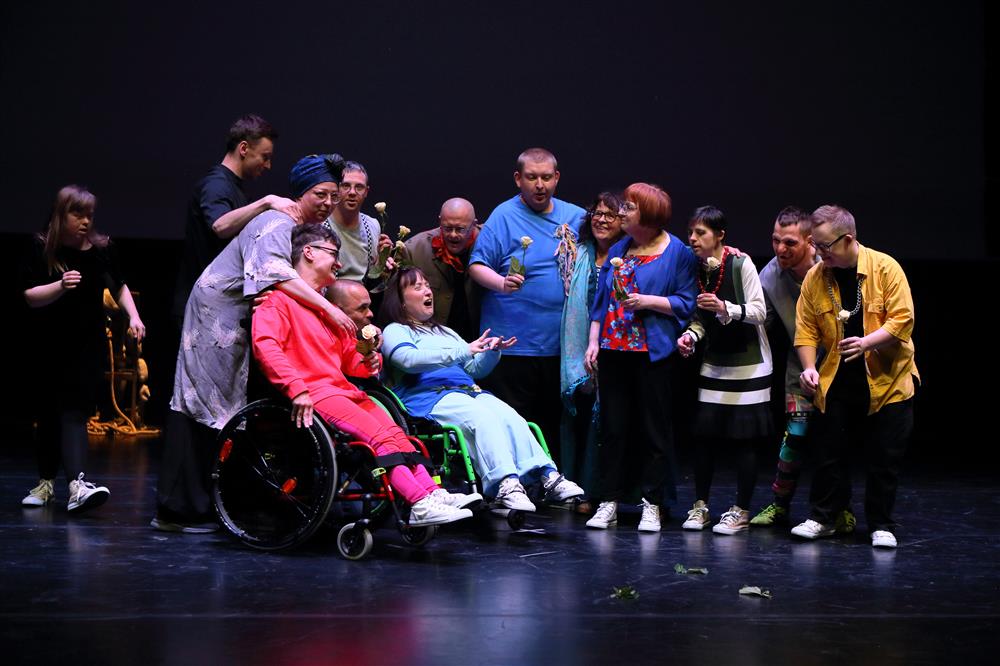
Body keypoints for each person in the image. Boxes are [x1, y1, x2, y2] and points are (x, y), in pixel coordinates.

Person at [152, 154, 357, 533]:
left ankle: (210, 502)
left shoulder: (293, 227)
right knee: (202, 403)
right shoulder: (277, 221)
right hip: (217, 314)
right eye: (320, 194)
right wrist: (330, 309)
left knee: (219, 405)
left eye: (333, 195)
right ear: (301, 193)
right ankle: (178, 509)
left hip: (236, 314)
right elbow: (275, 277)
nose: (328, 203)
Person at [253, 225, 478, 526]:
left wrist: (369, 358)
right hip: (315, 393)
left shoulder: (324, 309)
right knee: (380, 438)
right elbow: (266, 345)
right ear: (308, 252)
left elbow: (351, 363)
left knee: (399, 435)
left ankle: (432, 492)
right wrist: (296, 389)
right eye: (333, 254)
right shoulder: (277, 301)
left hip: (343, 390)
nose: (339, 263)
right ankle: (419, 502)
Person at [381, 267, 584, 511]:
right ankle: (505, 484)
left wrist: (492, 351)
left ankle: (547, 475)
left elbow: (474, 369)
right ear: (400, 301)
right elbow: (407, 360)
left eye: (426, 284)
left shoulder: (444, 332)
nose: (427, 290)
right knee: (482, 418)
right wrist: (463, 350)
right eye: (417, 287)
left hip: (467, 391)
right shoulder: (395, 331)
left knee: (510, 416)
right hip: (428, 397)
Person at [790, 205, 918, 549]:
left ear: (848, 240)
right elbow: (805, 330)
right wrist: (809, 367)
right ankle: (823, 518)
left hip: (888, 381)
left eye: (825, 246)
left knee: (883, 457)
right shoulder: (816, 278)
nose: (818, 252)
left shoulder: (885, 268)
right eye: (815, 244)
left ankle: (881, 523)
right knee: (829, 453)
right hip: (837, 379)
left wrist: (866, 343)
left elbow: (902, 320)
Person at [19, 185, 146, 512]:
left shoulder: (101, 249)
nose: (86, 221)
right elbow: (30, 296)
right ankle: (46, 484)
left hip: (84, 345)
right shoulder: (41, 247)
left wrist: (133, 316)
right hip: (47, 345)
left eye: (90, 214)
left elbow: (118, 286)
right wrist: (60, 286)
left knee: (75, 412)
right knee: (48, 414)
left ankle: (77, 485)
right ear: (61, 215)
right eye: (78, 214)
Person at [583, 183, 698, 532]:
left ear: (646, 214)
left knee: (654, 429)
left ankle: (653, 502)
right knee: (614, 427)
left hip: (652, 352)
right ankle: (609, 501)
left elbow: (686, 301)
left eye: (629, 207)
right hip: (615, 349)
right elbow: (602, 301)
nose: (621, 212)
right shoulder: (621, 247)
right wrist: (593, 342)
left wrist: (647, 301)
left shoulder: (676, 252)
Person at [469, 148, 585, 461]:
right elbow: (477, 265)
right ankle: (514, 483)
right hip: (513, 343)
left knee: (554, 422)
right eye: (531, 177)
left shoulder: (575, 216)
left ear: (557, 178)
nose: (539, 185)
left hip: (561, 344)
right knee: (514, 421)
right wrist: (501, 284)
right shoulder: (503, 216)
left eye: (546, 177)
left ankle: (553, 483)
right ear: (518, 179)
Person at [749, 208, 855, 533]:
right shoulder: (768, 276)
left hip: (838, 366)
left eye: (790, 243)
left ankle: (840, 509)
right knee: (795, 437)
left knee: (836, 441)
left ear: (810, 241)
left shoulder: (831, 266)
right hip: (800, 369)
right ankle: (780, 505)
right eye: (775, 241)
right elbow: (762, 320)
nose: (780, 249)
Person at [676, 206, 773, 535]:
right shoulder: (696, 268)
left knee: (744, 441)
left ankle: (741, 510)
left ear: (720, 235)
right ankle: (700, 506)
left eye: (700, 232)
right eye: (691, 232)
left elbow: (760, 311)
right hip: (714, 364)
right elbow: (699, 318)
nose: (693, 238)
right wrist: (690, 336)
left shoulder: (741, 263)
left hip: (750, 366)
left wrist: (725, 308)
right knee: (704, 439)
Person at [172, 114, 295, 327]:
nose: (268, 165)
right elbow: (220, 225)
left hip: (216, 304)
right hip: (200, 308)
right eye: (265, 157)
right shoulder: (216, 184)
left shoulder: (234, 187)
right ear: (244, 149)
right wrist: (266, 202)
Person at [559, 192, 625, 506]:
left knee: (607, 420)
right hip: (579, 345)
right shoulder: (580, 252)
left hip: (616, 345)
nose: (600, 220)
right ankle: (577, 488)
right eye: (597, 213)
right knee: (580, 417)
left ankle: (602, 493)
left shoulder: (628, 255)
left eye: (609, 215)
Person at [404, 197, 481, 341]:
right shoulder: (414, 250)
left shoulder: (489, 244)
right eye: (447, 228)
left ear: (474, 225)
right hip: (432, 341)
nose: (453, 234)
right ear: (440, 221)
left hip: (477, 337)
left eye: (460, 229)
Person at [322, 161, 384, 283]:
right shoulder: (319, 224)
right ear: (336, 188)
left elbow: (373, 273)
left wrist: (382, 262)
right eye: (345, 186)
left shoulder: (372, 226)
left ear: (366, 191)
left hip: (364, 296)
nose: (352, 192)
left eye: (359, 187)